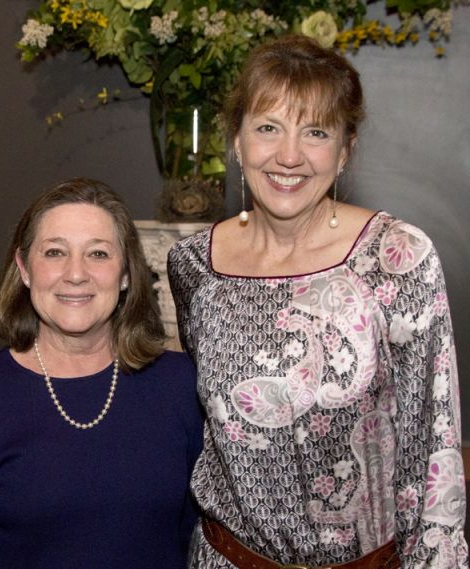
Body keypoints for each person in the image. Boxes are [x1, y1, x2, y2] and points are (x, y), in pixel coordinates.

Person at [168, 34, 467, 568]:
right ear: (236, 141)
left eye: (315, 132)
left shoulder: (397, 258)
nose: (289, 156)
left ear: (346, 148)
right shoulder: (195, 265)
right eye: (267, 128)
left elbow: (434, 456)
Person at [0, 178, 203, 568]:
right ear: (24, 269)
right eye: (55, 252)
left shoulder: (181, 388)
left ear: (126, 274)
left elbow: (198, 544)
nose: (76, 274)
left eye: (99, 254)